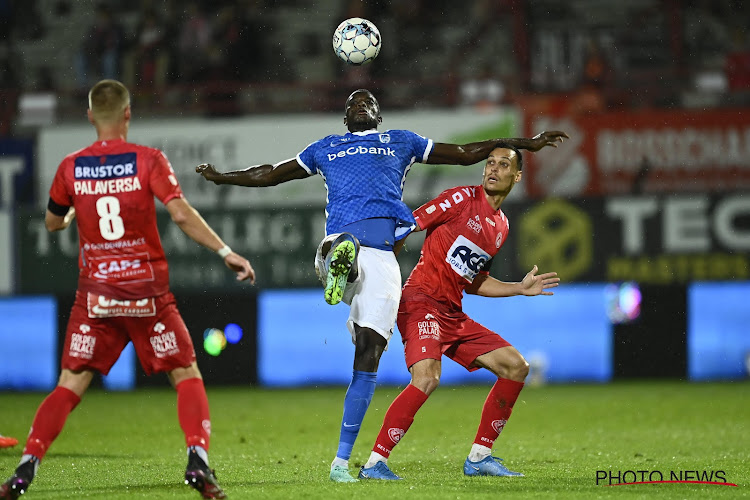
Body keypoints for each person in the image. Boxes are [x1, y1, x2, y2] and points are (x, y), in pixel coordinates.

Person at [195, 88, 567, 483]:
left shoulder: (403, 144)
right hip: (369, 259)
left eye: (367, 101)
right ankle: (342, 264)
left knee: (378, 352)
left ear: (378, 114)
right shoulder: (327, 147)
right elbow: (270, 174)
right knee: (420, 367)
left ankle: (361, 461)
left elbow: (462, 158)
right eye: (351, 101)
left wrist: (517, 287)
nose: (359, 103)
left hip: (405, 277)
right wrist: (222, 179)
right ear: (344, 118)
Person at [0, 80, 254, 500]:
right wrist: (225, 250)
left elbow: (52, 222)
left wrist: (67, 221)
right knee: (186, 373)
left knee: (70, 383)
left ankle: (26, 468)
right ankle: (198, 461)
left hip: (96, 296)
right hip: (146, 293)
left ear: (89, 117)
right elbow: (181, 214)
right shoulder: (147, 160)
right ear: (127, 115)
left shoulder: (71, 167)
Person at [358, 144, 559, 480]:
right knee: (427, 377)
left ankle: (480, 457)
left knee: (515, 367)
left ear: (517, 175)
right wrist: (379, 274)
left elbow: (474, 280)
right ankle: (374, 463)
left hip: (452, 313)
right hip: (420, 301)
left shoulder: (501, 226)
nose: (493, 169)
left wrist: (519, 288)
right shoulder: (460, 199)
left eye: (503, 164)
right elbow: (407, 225)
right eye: (490, 163)